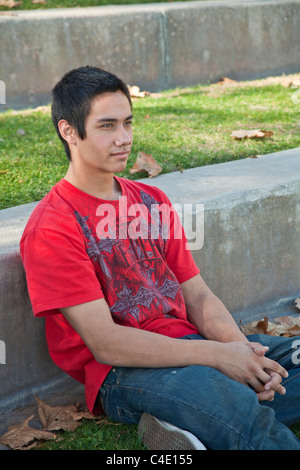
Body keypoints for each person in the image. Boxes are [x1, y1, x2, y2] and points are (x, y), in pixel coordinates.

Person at [20, 66, 300, 450]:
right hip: (123, 372)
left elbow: (198, 296)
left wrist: (241, 352)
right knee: (234, 406)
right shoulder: (52, 227)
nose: (123, 139)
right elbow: (106, 343)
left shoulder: (152, 202)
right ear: (69, 131)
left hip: (192, 343)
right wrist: (218, 357)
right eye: (107, 126)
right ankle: (211, 413)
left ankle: (188, 424)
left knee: (274, 369)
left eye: (127, 123)